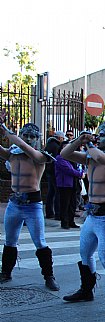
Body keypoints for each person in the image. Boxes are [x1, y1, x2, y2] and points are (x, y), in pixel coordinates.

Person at [59, 122, 105, 314]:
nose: (98, 137)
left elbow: (101, 157)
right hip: (92, 215)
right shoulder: (91, 158)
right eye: (97, 134)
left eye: (103, 135)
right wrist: (80, 139)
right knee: (85, 254)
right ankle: (86, 290)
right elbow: (65, 154)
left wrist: (90, 144)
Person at [0, 113, 58, 291]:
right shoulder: (13, 154)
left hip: (32, 205)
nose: (29, 139)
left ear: (37, 139)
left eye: (33, 136)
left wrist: (7, 131)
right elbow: (4, 151)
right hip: (15, 203)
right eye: (26, 135)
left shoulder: (39, 156)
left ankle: (49, 276)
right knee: (10, 240)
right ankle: (6, 272)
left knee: (40, 241)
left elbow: (26, 148)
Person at [55, 140, 84, 229]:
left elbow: (80, 166)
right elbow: (68, 170)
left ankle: (71, 221)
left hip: (73, 182)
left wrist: (81, 172)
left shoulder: (72, 158)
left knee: (72, 203)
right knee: (65, 204)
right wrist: (80, 174)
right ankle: (64, 222)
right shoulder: (60, 158)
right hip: (64, 184)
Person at [44, 133, 63, 219]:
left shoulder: (49, 144)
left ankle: (49, 212)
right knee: (57, 192)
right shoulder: (56, 146)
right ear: (59, 138)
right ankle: (58, 213)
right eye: (62, 138)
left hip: (48, 170)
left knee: (50, 192)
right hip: (54, 171)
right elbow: (56, 160)